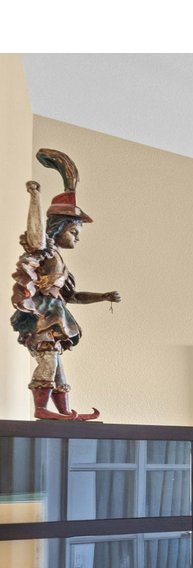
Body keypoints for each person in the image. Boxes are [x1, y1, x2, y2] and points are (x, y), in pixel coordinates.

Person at [10, 149, 120, 421]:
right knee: (48, 361)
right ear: (58, 228)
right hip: (42, 318)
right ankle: (40, 409)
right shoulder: (44, 251)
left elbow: (73, 296)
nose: (76, 239)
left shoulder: (59, 263)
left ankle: (64, 411)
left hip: (56, 315)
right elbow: (35, 235)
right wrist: (35, 197)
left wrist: (103, 296)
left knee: (58, 366)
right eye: (74, 232)